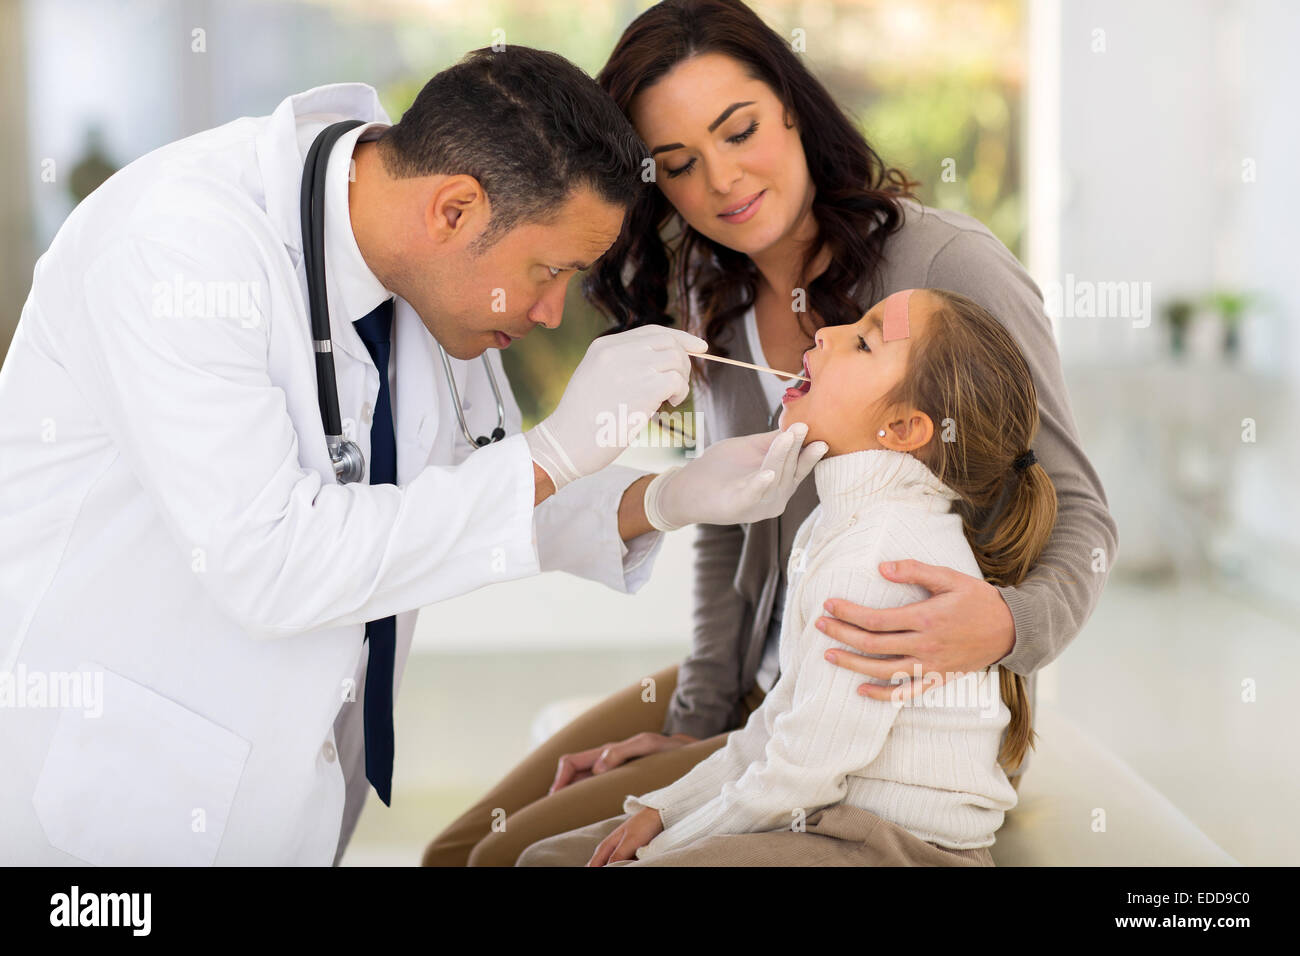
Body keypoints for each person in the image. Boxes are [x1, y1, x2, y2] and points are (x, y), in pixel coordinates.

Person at [0, 45, 825, 866]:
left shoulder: (423, 281)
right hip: (107, 811)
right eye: (550, 270)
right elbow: (268, 561)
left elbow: (476, 500)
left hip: (284, 803)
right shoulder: (176, 248)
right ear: (454, 210)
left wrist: (663, 498)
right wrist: (557, 449)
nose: (549, 311)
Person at [423, 0, 1118, 868]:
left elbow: (1082, 512)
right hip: (771, 689)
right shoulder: (712, 296)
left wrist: (1007, 626)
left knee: (503, 862)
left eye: (740, 130)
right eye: (679, 164)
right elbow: (729, 534)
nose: (721, 181)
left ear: (793, 106)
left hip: (876, 713)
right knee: (457, 849)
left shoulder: (943, 274)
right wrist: (694, 727)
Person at [518, 288, 1052, 866]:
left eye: (864, 341)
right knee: (544, 859)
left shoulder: (877, 560)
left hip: (894, 849)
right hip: (828, 821)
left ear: (902, 429)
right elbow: (776, 726)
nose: (826, 333)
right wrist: (665, 809)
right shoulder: (836, 526)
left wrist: (661, 850)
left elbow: (801, 774)